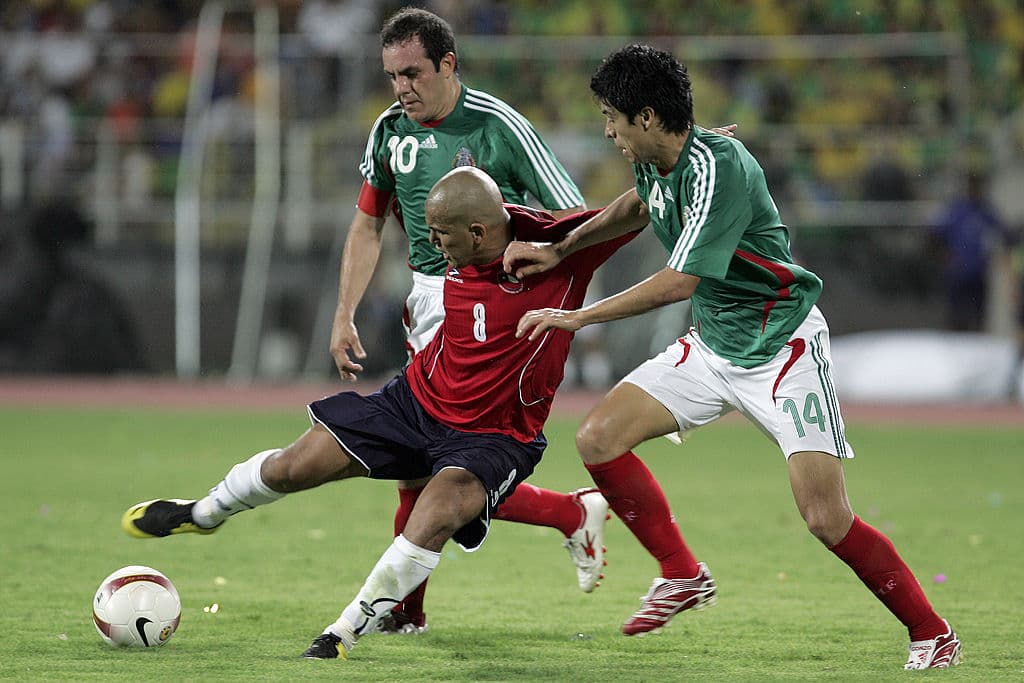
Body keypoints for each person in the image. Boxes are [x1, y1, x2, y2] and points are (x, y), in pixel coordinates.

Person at [504, 44, 960, 671]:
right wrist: (563, 247)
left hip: (782, 348)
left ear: (645, 115)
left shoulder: (721, 169)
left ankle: (933, 633)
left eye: (612, 116)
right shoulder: (656, 159)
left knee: (826, 519)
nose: (606, 130)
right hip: (714, 343)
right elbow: (637, 207)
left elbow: (678, 281)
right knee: (599, 438)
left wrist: (580, 315)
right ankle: (681, 573)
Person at [121, 167, 639, 659]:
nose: (433, 246)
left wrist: (698, 157)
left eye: (441, 235)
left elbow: (639, 206)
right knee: (292, 466)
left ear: (479, 232)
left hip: (493, 437)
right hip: (414, 403)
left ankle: (342, 632)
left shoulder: (555, 248)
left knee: (431, 516)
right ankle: (202, 514)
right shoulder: (464, 245)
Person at [326, 7, 607, 633]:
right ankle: (564, 516)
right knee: (419, 465)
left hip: (482, 300)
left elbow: (571, 216)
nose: (402, 88)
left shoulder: (500, 126)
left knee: (435, 463)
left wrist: (537, 265)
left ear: (448, 65)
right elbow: (368, 223)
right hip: (425, 300)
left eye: (413, 73)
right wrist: (344, 312)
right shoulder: (387, 132)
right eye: (392, 76)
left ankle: (405, 612)